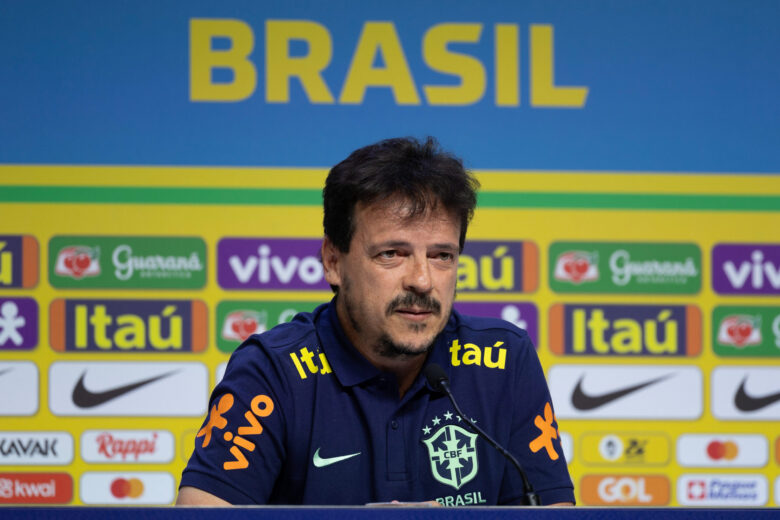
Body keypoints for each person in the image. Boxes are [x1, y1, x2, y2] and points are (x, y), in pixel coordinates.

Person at [177, 137, 574, 506]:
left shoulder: (505, 361)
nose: (422, 280)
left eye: (442, 256)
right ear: (333, 262)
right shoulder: (271, 372)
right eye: (392, 254)